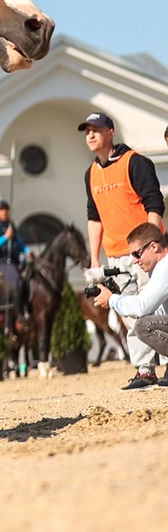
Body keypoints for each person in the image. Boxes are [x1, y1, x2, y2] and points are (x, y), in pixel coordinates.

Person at [80, 111, 166, 389]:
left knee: (157, 308)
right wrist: (95, 260)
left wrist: (151, 247)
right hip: (115, 254)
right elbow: (94, 218)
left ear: (110, 132)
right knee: (129, 315)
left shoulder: (135, 162)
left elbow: (154, 204)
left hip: (145, 253)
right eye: (86, 131)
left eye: (96, 129)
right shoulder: (90, 173)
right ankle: (145, 370)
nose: (90, 135)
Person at [91, 224, 168, 387]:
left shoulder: (164, 268)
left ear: (154, 247)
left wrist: (112, 299)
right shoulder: (159, 269)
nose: (134, 260)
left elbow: (142, 306)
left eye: (136, 253)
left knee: (143, 326)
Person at [0, 201, 28, 334]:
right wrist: (6, 237)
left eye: (6, 209)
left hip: (17, 261)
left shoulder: (11, 225)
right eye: (2, 210)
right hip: (4, 263)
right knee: (17, 283)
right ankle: (20, 316)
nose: (5, 212)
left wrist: (28, 251)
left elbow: (20, 243)